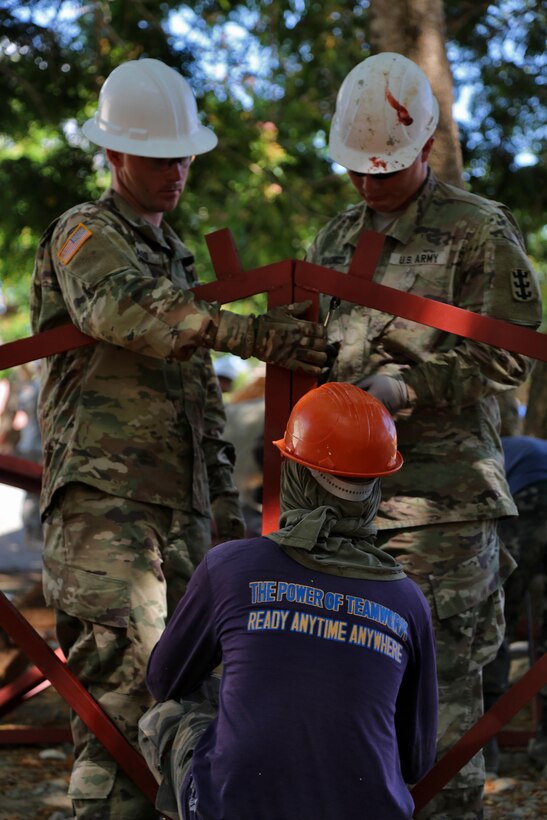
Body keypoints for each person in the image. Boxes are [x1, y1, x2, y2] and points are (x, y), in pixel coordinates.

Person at [29, 58, 327, 819]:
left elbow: (200, 406)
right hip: (109, 514)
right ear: (115, 154)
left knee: (183, 714)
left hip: (183, 516)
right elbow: (123, 311)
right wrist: (250, 332)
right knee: (120, 720)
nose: (177, 172)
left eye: (185, 156)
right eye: (161, 158)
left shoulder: (174, 258)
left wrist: (227, 521)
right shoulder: (85, 232)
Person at [305, 52, 543, 818]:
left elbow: (512, 347)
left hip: (440, 515)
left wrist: (409, 386)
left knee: (440, 726)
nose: (369, 186)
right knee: (350, 712)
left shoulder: (477, 228)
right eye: (358, 172)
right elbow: (313, 343)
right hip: (347, 516)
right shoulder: (335, 237)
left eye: (385, 171)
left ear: (426, 150)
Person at [142, 382, 438, 820]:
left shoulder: (230, 566)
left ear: (295, 472)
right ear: (376, 487)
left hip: (237, 809)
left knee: (166, 716)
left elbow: (164, 680)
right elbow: (417, 758)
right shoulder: (407, 600)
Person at [482, 433, 547, 773]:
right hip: (536, 497)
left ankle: (484, 751)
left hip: (526, 504)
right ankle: (544, 752)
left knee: (497, 626)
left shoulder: (485, 446)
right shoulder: (527, 447)